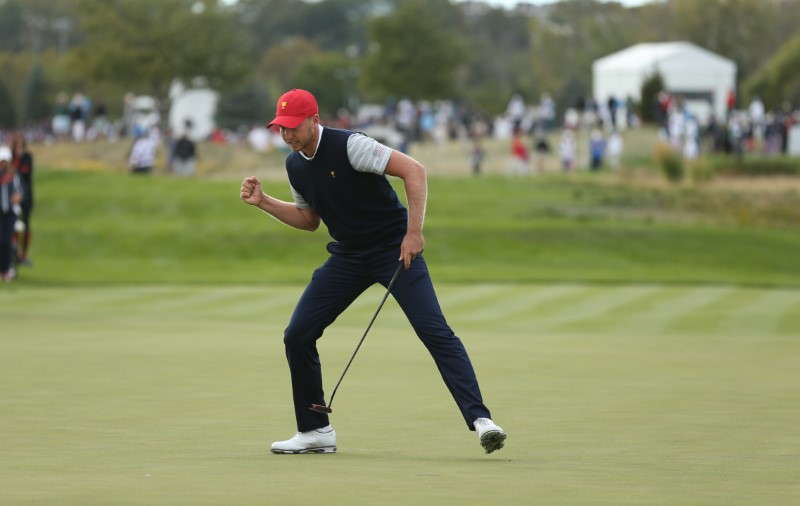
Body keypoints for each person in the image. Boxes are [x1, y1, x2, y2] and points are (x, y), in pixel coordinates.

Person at [240, 89, 506, 455]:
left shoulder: (351, 146)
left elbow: (414, 171)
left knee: (434, 331)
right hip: (348, 256)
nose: (286, 135)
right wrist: (264, 202)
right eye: (281, 128)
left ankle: (481, 421)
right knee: (297, 334)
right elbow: (309, 220)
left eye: (293, 127)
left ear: (314, 121)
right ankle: (315, 430)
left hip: (394, 251)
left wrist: (414, 232)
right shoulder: (295, 165)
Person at [0, 146, 23, 282]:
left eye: (5, 161)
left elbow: (20, 192)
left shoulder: (13, 176)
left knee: (6, 242)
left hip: (10, 214)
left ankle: (6, 269)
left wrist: (18, 197)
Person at [10, 135, 33, 265]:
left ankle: (23, 253)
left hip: (26, 196)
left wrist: (15, 170)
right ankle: (14, 252)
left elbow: (25, 173)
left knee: (26, 224)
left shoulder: (27, 157)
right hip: (11, 196)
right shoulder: (11, 157)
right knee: (13, 224)